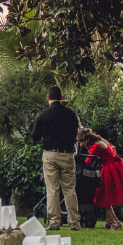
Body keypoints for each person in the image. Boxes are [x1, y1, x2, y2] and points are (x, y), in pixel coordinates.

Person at [32, 85, 81, 230]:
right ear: (61, 97)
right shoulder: (71, 114)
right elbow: (75, 133)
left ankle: (54, 222)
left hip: (50, 153)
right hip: (67, 154)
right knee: (69, 189)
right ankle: (74, 222)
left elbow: (35, 136)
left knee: (52, 189)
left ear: (47, 98)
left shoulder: (43, 115)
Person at [76, 128, 123, 230]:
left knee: (104, 197)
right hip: (117, 165)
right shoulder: (101, 140)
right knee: (107, 196)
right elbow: (113, 148)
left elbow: (88, 162)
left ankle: (115, 221)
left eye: (81, 142)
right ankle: (109, 221)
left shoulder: (94, 146)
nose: (81, 145)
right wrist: (104, 159)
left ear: (86, 139)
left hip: (109, 169)